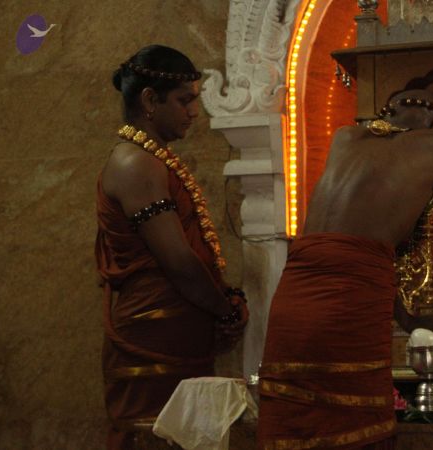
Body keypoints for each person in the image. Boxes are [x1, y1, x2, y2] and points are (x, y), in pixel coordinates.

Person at [257, 89, 433, 449]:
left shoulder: (344, 138)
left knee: (294, 423)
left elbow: (350, 248)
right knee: (354, 426)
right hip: (349, 303)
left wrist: (407, 319)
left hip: (293, 297)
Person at [95, 45, 248, 449]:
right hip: (154, 332)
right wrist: (225, 308)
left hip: (175, 327)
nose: (194, 112)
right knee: (155, 437)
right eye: (185, 100)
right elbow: (178, 260)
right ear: (150, 100)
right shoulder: (135, 163)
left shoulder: (152, 158)